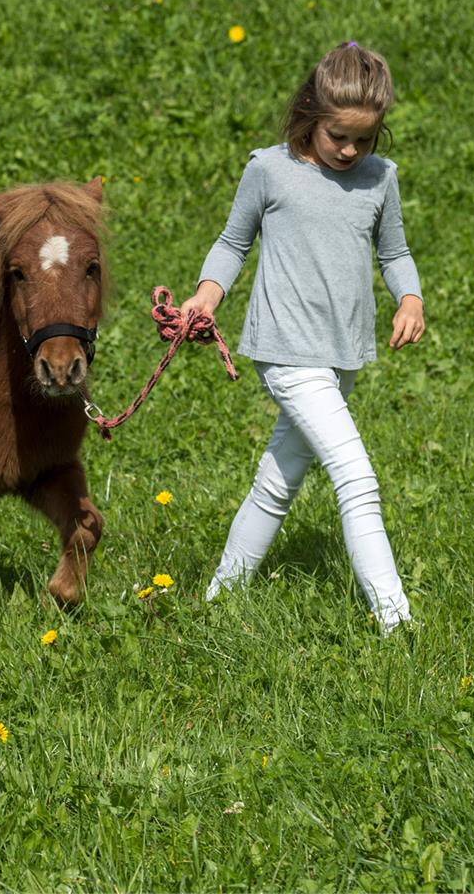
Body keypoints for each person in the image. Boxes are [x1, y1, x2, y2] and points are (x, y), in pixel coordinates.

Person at [177, 41, 425, 636]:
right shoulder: (269, 169)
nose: (349, 149)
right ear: (310, 113)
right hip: (286, 350)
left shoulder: (379, 178)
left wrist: (409, 297)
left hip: (342, 353)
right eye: (338, 135)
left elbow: (394, 251)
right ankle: (397, 621)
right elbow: (234, 241)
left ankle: (219, 597)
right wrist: (208, 294)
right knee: (356, 476)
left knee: (279, 479)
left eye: (363, 139)